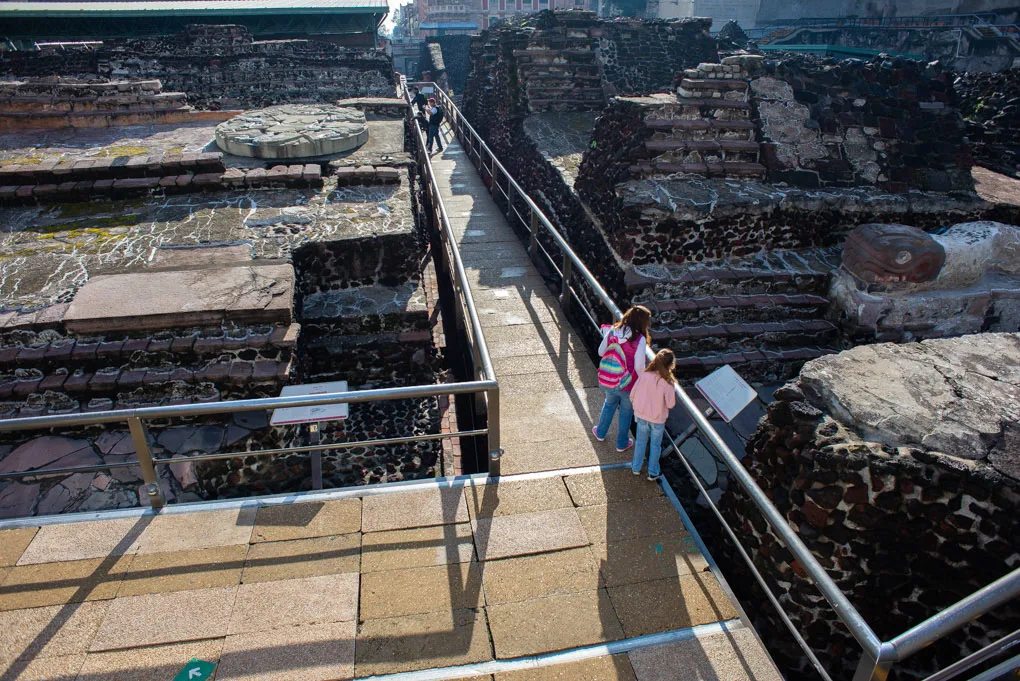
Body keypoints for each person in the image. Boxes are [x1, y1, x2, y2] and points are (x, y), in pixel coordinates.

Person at [592, 305, 651, 453]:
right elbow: (639, 367)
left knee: (609, 404)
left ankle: (600, 432)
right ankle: (621, 443)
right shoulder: (640, 339)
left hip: (611, 378)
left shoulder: (613, 330)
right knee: (626, 412)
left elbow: (600, 352)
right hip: (628, 383)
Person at [629, 348, 678, 482]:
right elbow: (670, 404)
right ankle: (652, 472)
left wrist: (637, 407)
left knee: (640, 442)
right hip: (657, 419)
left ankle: (636, 467)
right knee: (655, 446)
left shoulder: (645, 375)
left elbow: (633, 394)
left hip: (641, 415)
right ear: (670, 365)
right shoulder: (668, 382)